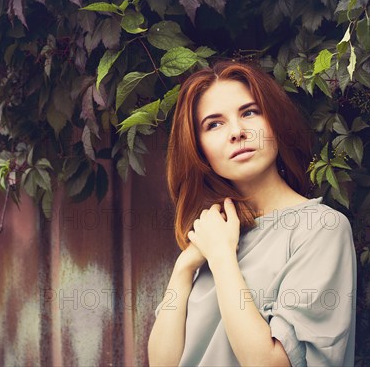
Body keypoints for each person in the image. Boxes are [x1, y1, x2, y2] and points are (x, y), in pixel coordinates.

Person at [148, 61, 356, 366]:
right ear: (199, 148)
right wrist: (183, 268)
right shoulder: (213, 233)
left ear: (274, 122)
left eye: (249, 112)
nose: (237, 132)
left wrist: (222, 259)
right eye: (214, 124)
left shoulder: (321, 229)